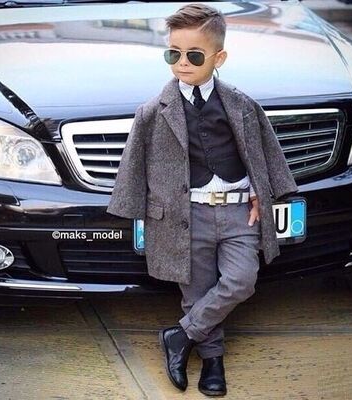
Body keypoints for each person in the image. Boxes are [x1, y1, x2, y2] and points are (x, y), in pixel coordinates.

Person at [107, 3, 298, 397]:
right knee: (195, 290)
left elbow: (262, 152)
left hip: (237, 210)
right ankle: (213, 361)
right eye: (172, 54)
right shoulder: (153, 112)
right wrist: (139, 212)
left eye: (194, 55)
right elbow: (134, 164)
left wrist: (263, 193)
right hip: (185, 214)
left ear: (218, 58)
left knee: (242, 280)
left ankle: (180, 335)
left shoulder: (241, 105)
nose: (182, 63)